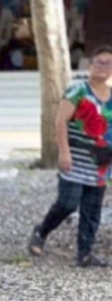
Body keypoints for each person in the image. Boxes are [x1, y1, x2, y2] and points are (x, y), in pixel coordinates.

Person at [28, 45, 112, 268]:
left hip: (101, 162)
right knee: (67, 203)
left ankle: (85, 253)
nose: (103, 67)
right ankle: (41, 231)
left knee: (92, 210)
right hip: (74, 157)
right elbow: (60, 121)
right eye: (99, 62)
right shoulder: (78, 90)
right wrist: (63, 152)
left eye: (108, 63)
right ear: (90, 64)